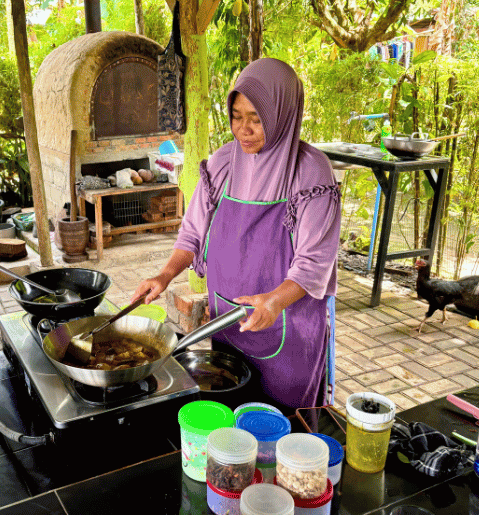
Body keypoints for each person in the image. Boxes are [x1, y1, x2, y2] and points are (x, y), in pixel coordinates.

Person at [131, 58, 341, 410]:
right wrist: (164, 275)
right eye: (236, 116)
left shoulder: (310, 172)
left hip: (287, 329)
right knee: (231, 432)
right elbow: (193, 233)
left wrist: (274, 301)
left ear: (283, 113)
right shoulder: (222, 164)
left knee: (283, 432)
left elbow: (314, 263)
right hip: (229, 325)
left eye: (257, 119)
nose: (243, 129)